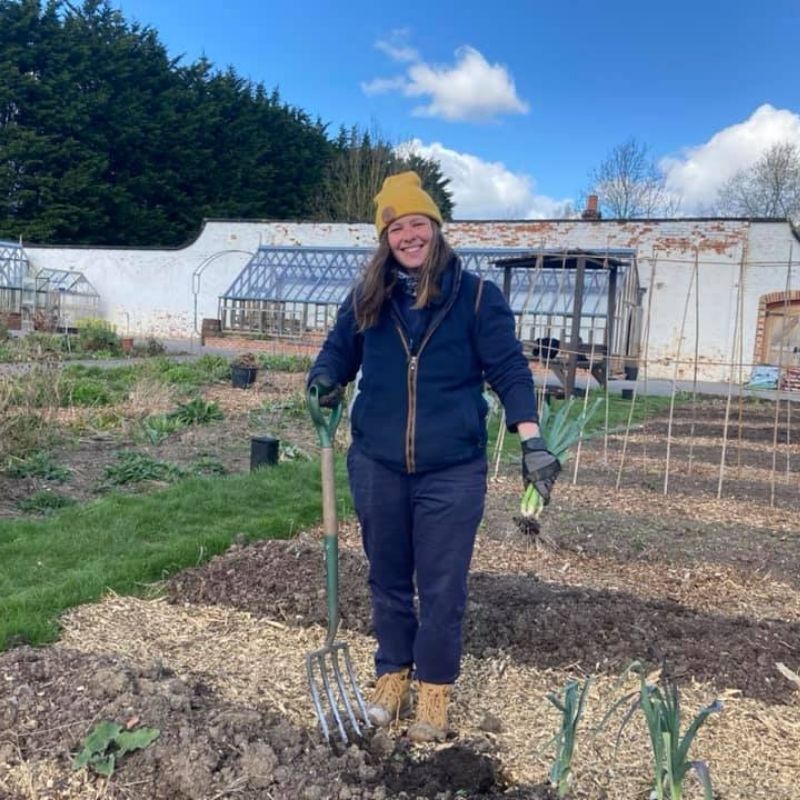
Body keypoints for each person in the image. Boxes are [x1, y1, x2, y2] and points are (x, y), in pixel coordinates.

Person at [307, 171, 561, 742]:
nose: (409, 235)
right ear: (386, 237)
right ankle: (392, 677)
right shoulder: (367, 296)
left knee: (443, 585)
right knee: (387, 577)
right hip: (376, 463)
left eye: (418, 223)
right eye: (397, 228)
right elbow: (336, 353)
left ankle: (436, 691)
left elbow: (509, 371)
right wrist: (323, 379)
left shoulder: (476, 299)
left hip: (452, 469)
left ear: (436, 229)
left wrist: (532, 439)